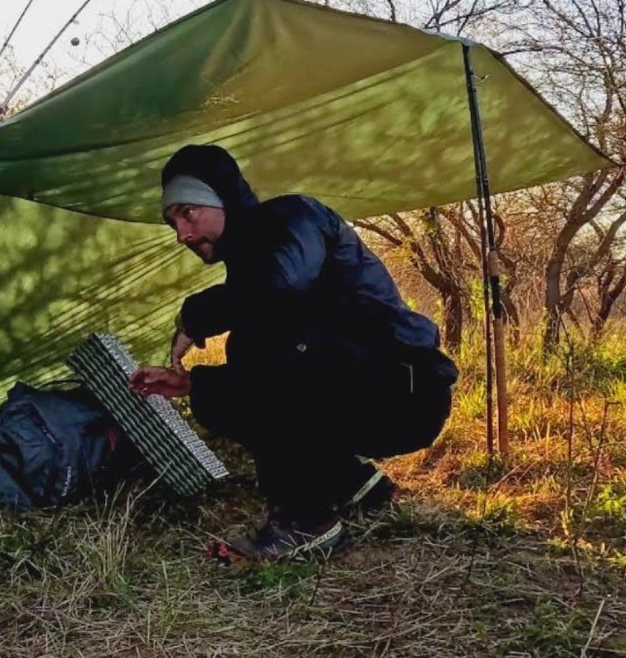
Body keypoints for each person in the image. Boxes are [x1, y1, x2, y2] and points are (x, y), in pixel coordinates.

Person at [129, 144, 458, 562]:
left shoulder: (295, 217)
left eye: (187, 213)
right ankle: (356, 486)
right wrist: (191, 383)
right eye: (172, 222)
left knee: (262, 350)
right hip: (361, 385)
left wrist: (195, 315)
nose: (183, 235)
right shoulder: (248, 265)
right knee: (225, 393)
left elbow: (279, 288)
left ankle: (306, 522)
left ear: (222, 200)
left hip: (404, 388)